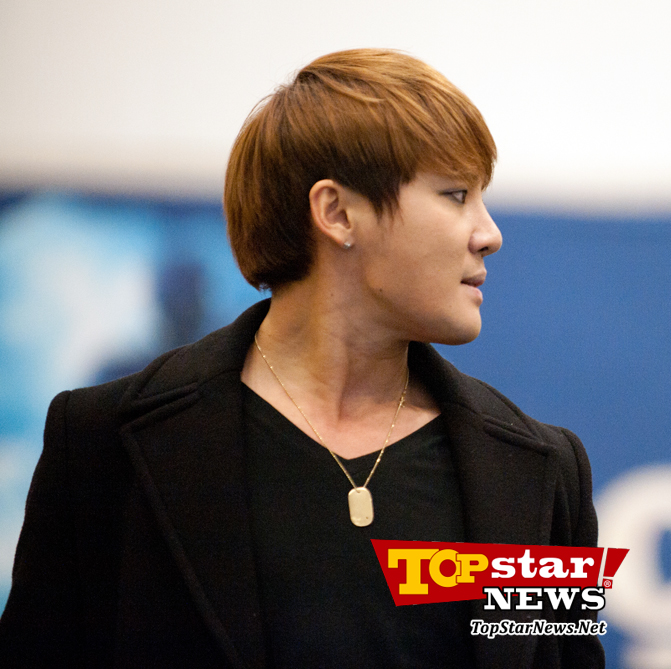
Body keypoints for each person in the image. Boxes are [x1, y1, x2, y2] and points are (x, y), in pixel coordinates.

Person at [0, 49, 603, 668]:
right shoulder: (102, 444)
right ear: (337, 213)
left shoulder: (542, 471)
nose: (490, 234)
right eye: (456, 194)